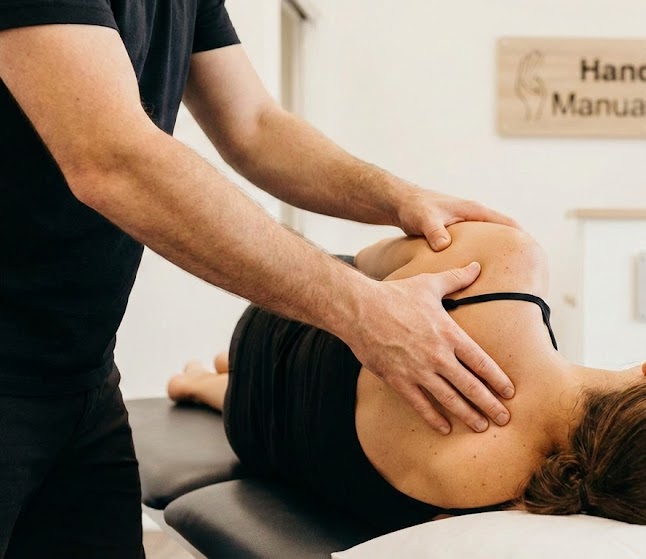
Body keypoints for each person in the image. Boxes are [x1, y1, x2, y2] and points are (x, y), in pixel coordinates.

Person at [0, 2, 517, 557]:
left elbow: (254, 125)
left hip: (81, 377)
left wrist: (397, 199)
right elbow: (112, 157)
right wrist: (363, 310)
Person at [167, 222, 646, 537]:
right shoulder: (515, 506)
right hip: (259, 434)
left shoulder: (506, 266)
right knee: (308, 419)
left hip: (277, 323)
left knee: (358, 288)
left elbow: (353, 267)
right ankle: (210, 385)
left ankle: (219, 373)